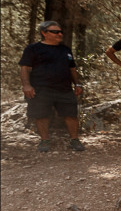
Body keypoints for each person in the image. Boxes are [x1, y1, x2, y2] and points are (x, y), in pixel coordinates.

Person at [18, 20, 85, 152]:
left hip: (64, 88)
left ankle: (75, 140)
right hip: (41, 89)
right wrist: (26, 85)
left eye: (60, 32)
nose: (59, 34)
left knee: (71, 114)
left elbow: (72, 68)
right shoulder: (33, 49)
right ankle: (44, 141)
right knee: (41, 115)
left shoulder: (65, 49)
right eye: (55, 32)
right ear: (44, 33)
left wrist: (77, 83)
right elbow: (24, 68)